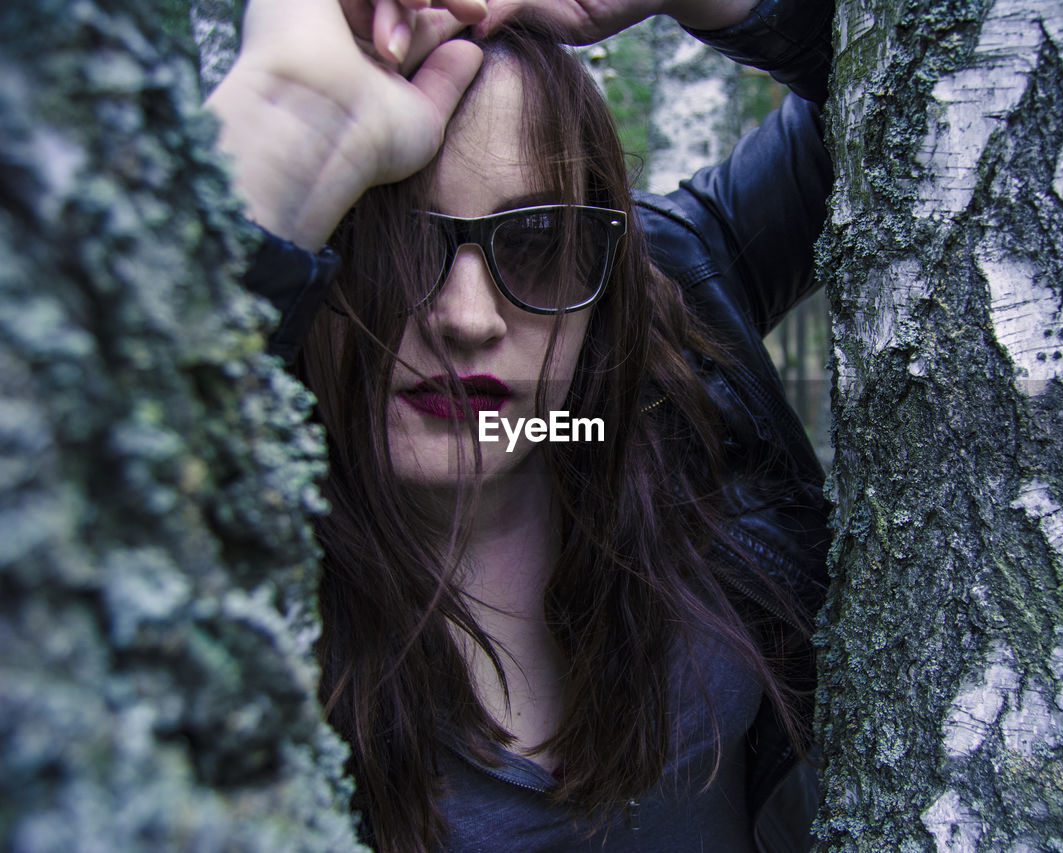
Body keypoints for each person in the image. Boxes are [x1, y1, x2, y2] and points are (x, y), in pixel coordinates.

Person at [207, 0, 834, 849]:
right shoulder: (218, 546)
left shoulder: (666, 323)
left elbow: (923, 95)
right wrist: (291, 126)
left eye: (539, 240)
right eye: (390, 245)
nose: (468, 318)